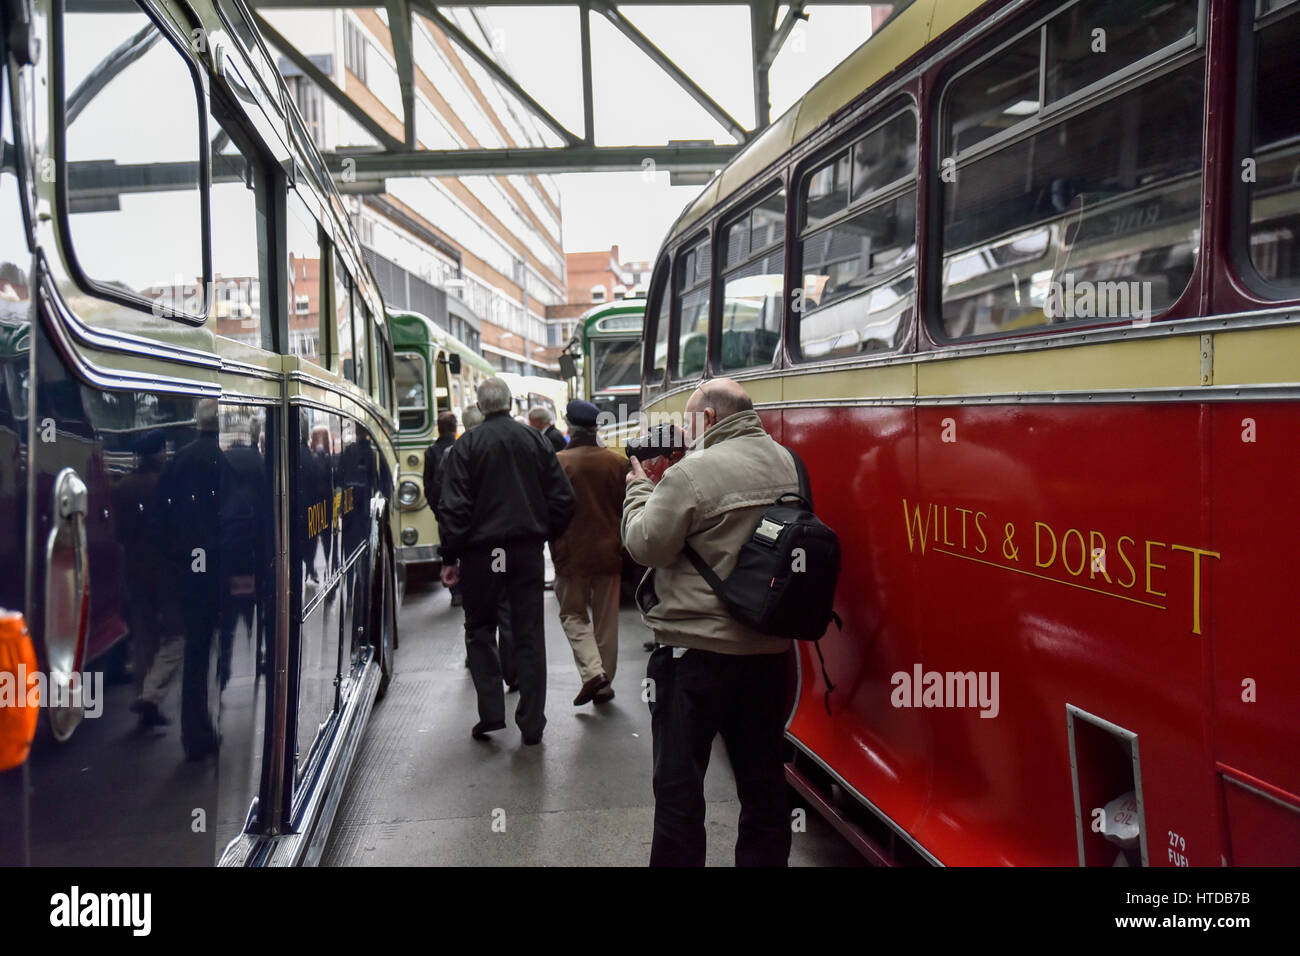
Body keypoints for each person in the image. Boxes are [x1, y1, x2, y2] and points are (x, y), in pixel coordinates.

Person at [621, 378, 800, 867]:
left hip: (694, 654)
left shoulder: (690, 474)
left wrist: (639, 490)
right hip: (768, 652)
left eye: (691, 418)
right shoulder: (789, 462)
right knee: (762, 779)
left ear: (713, 419)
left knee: (679, 787)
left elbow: (646, 545)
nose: (683, 429)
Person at [438, 378, 575, 744]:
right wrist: (543, 533)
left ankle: (491, 713)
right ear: (510, 404)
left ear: (481, 408)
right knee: (529, 632)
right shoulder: (533, 440)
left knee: (480, 628)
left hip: (482, 555)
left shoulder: (466, 446)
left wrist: (450, 555)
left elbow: (453, 508)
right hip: (524, 553)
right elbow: (563, 498)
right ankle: (532, 723)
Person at [552, 400, 626, 707]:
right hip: (610, 551)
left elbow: (551, 509)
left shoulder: (558, 462)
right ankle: (604, 681)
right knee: (606, 621)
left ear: (569, 427)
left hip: (571, 554)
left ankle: (594, 673)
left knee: (572, 614)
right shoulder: (617, 462)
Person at [422, 411, 458, 518]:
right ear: (455, 428)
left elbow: (428, 484)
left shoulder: (431, 451)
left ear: (438, 429)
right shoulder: (461, 447)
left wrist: (436, 509)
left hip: (441, 508)